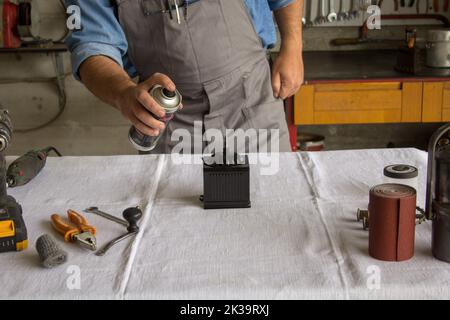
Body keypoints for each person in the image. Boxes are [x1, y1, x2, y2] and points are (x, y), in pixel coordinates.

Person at [65, 0, 304, 153]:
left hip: (253, 102)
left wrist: (293, 45)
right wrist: (123, 94)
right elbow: (91, 46)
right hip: (169, 121)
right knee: (172, 222)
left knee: (272, 205)